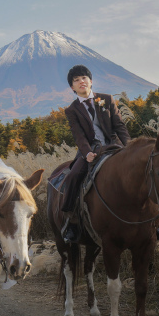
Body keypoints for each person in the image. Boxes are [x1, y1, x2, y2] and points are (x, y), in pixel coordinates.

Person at [61, 64, 130, 243]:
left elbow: (119, 126)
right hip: (91, 150)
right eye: (76, 80)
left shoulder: (106, 99)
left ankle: (156, 221)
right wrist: (87, 153)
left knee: (140, 168)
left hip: (113, 146)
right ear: (72, 87)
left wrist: (129, 147)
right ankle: (72, 223)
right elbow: (78, 134)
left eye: (84, 78)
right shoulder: (72, 110)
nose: (81, 82)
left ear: (90, 81)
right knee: (73, 176)